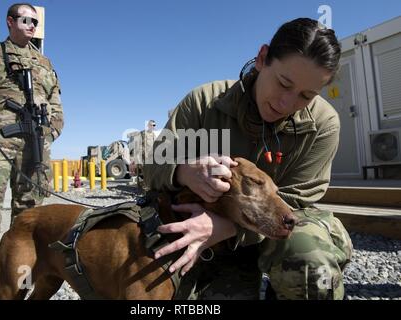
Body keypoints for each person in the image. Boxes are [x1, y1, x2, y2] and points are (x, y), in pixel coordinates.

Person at [144, 18, 353, 300]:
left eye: (306, 96)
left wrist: (226, 227)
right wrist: (183, 171)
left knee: (309, 263)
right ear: (262, 58)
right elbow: (154, 165)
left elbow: (297, 201)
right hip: (199, 235)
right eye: (283, 83)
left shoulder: (323, 124)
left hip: (272, 231)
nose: (286, 104)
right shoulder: (204, 103)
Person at [0, 3, 64, 286]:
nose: (32, 25)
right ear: (10, 22)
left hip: (36, 142)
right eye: (26, 20)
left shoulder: (45, 63)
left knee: (31, 206)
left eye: (35, 21)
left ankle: (22, 263)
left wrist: (51, 132)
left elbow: (56, 103)